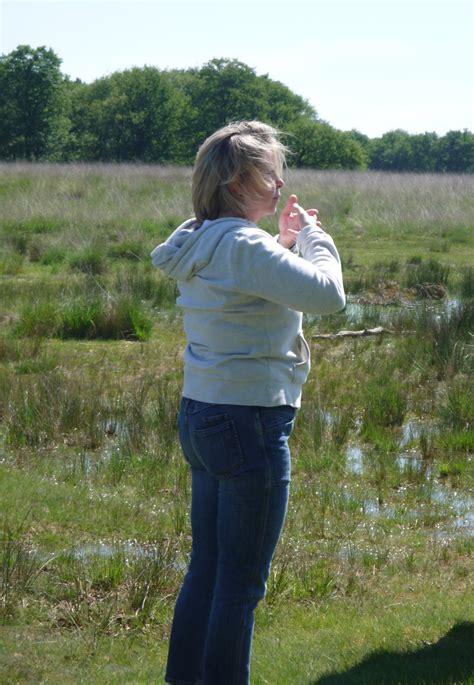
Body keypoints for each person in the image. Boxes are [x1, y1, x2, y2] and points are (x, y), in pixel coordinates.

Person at [151, 120, 345, 685]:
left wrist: (282, 244)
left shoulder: (204, 237)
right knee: (240, 584)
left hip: (203, 415)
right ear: (241, 179)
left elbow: (247, 283)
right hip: (248, 422)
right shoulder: (240, 244)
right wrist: (313, 238)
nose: (281, 184)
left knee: (208, 571)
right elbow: (328, 295)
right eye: (272, 174)